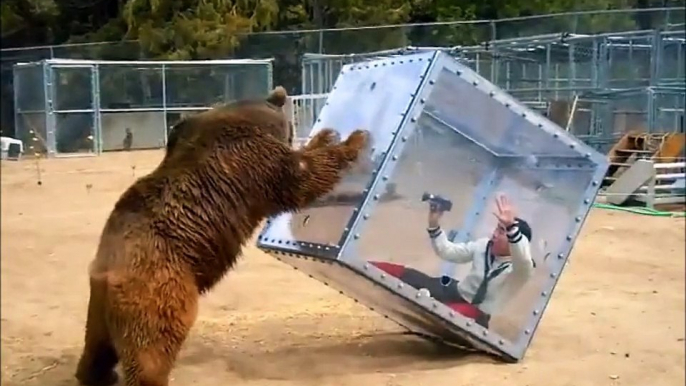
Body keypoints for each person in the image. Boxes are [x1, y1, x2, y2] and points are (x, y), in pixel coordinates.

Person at [371, 194, 535, 328]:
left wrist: (511, 228)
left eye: (501, 231)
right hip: (454, 290)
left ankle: (429, 304)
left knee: (449, 316)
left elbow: (524, 260)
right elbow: (448, 251)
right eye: (496, 228)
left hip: (477, 312)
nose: (494, 234)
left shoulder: (521, 270)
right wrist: (434, 223)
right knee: (410, 277)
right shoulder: (483, 246)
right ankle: (364, 267)